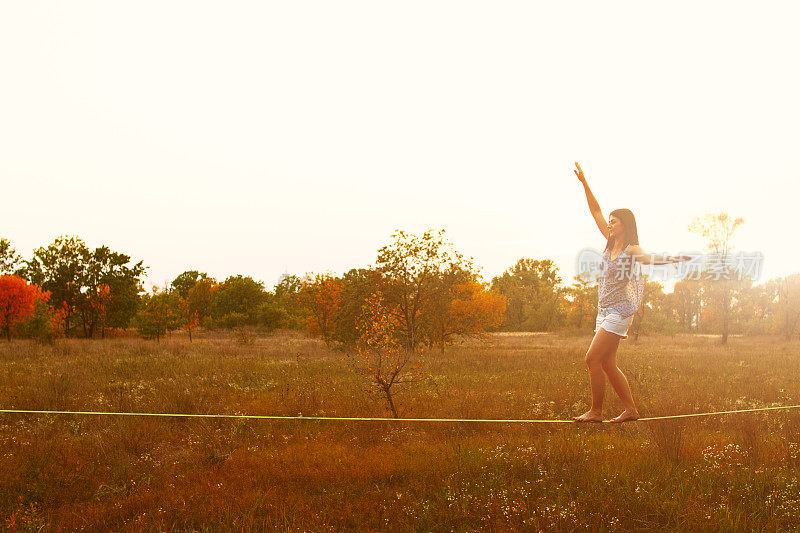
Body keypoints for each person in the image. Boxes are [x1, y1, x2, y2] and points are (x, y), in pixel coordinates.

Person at [571, 162, 691, 423]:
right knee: (607, 363)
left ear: (624, 225)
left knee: (592, 358)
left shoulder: (632, 250)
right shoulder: (609, 241)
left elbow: (652, 259)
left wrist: (674, 258)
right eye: (610, 222)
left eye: (614, 222)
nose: (609, 224)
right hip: (604, 311)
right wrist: (585, 184)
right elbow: (595, 210)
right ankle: (631, 410)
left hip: (620, 311)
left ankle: (596, 411)